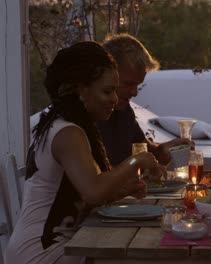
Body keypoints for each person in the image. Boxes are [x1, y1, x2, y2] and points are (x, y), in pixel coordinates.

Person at [5, 42, 162, 264]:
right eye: (107, 91)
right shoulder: (68, 132)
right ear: (80, 89)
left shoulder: (65, 124)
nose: (115, 99)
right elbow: (93, 191)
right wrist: (138, 159)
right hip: (41, 252)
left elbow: (79, 195)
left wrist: (119, 191)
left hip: (56, 243)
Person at [98, 33, 191, 168]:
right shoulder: (85, 118)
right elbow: (95, 181)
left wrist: (163, 151)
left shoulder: (124, 111)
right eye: (128, 84)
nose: (135, 92)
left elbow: (144, 150)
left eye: (138, 85)